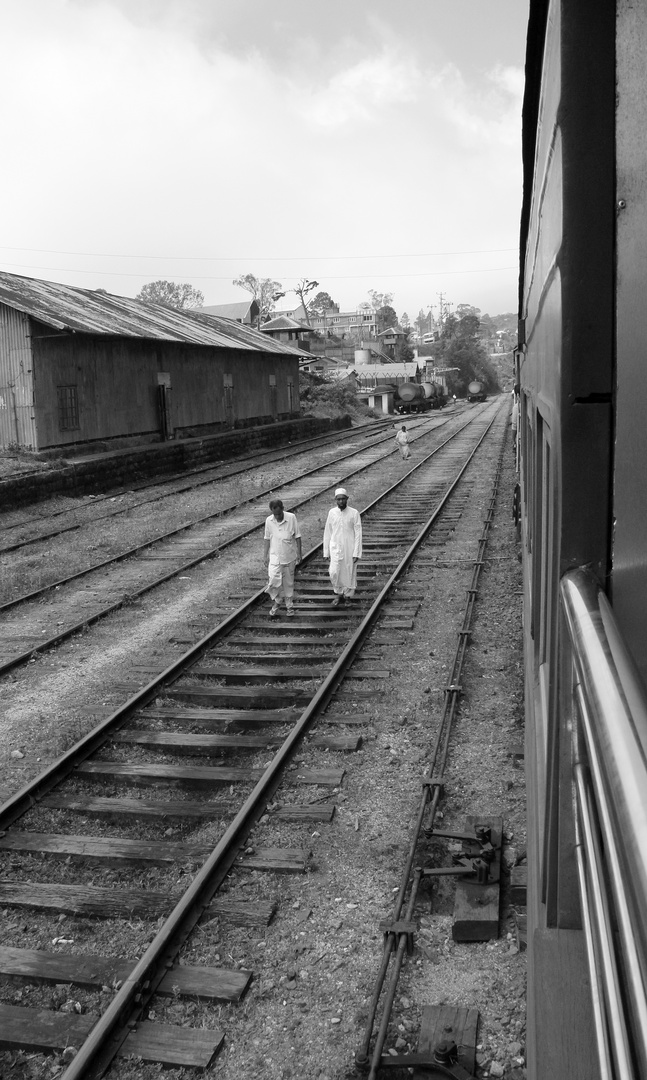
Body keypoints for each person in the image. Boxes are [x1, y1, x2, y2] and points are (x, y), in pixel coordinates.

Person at [323, 488, 362, 606]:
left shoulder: (354, 513)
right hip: (335, 547)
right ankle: (338, 593)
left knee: (349, 571)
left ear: (347, 499)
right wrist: (326, 552)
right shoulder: (332, 513)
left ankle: (348, 596)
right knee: (334, 572)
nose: (341, 501)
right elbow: (328, 532)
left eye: (343, 499)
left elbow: (358, 533)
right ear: (335, 500)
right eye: (338, 499)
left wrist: (357, 552)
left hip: (349, 547)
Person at [263, 498, 302, 618]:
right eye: (275, 514)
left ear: (283, 509)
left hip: (289, 556)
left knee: (288, 582)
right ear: (272, 512)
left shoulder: (291, 518)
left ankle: (289, 606)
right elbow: (267, 538)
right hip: (275, 557)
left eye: (279, 514)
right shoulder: (269, 520)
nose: (278, 516)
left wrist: (299, 553)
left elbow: (298, 536)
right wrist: (265, 556)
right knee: (273, 580)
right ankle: (278, 600)